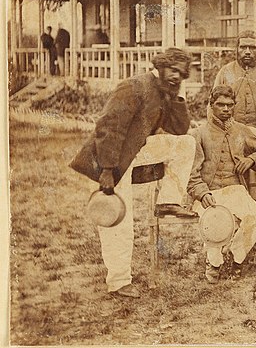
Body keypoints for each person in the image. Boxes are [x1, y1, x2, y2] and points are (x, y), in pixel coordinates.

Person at [69, 47, 197, 298]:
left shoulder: (167, 93)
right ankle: (118, 281)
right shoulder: (135, 86)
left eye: (181, 74)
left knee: (186, 144)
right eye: (172, 70)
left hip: (135, 153)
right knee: (118, 218)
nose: (176, 77)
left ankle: (168, 201)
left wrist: (178, 98)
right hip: (110, 157)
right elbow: (109, 126)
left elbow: (180, 130)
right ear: (159, 66)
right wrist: (107, 170)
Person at [188, 85, 256, 284]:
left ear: (234, 107)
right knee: (216, 220)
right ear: (211, 105)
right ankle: (214, 263)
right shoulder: (200, 134)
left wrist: (252, 159)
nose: (225, 109)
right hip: (209, 191)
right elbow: (191, 173)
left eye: (229, 105)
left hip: (235, 190)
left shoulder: (242, 131)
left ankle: (237, 256)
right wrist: (202, 193)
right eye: (220, 105)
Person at [213, 30, 256, 134]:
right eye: (243, 47)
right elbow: (212, 106)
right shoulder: (226, 72)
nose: (247, 51)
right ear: (237, 49)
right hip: (231, 134)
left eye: (252, 47)